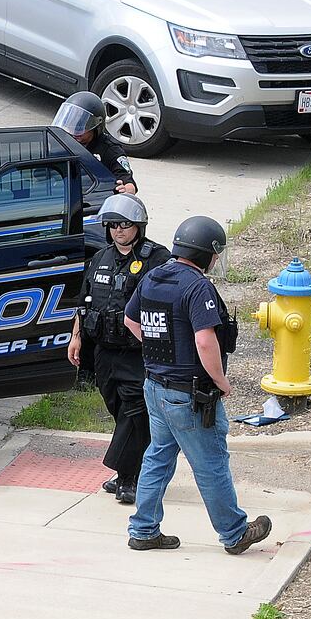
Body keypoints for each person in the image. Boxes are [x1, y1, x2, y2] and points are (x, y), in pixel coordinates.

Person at [122, 216, 273, 555]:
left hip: (155, 387)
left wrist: (160, 351)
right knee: (211, 464)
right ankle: (235, 533)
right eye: (216, 254)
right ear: (206, 252)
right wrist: (221, 380)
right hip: (189, 395)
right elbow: (205, 341)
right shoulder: (196, 286)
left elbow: (130, 319)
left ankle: (144, 530)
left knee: (158, 456)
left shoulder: (153, 276)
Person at [68, 194, 169, 504]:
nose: (119, 231)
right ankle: (133, 468)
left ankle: (129, 478)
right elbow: (83, 304)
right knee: (118, 410)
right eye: (112, 225)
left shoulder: (158, 259)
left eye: (125, 225)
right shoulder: (99, 259)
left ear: (138, 226)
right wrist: (76, 338)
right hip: (105, 353)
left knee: (135, 411)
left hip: (139, 353)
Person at [53, 91, 138, 194]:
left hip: (94, 196)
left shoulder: (110, 149)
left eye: (81, 127)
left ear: (96, 126)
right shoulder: (61, 142)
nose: (75, 131)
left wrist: (125, 190)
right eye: (71, 124)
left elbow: (129, 184)